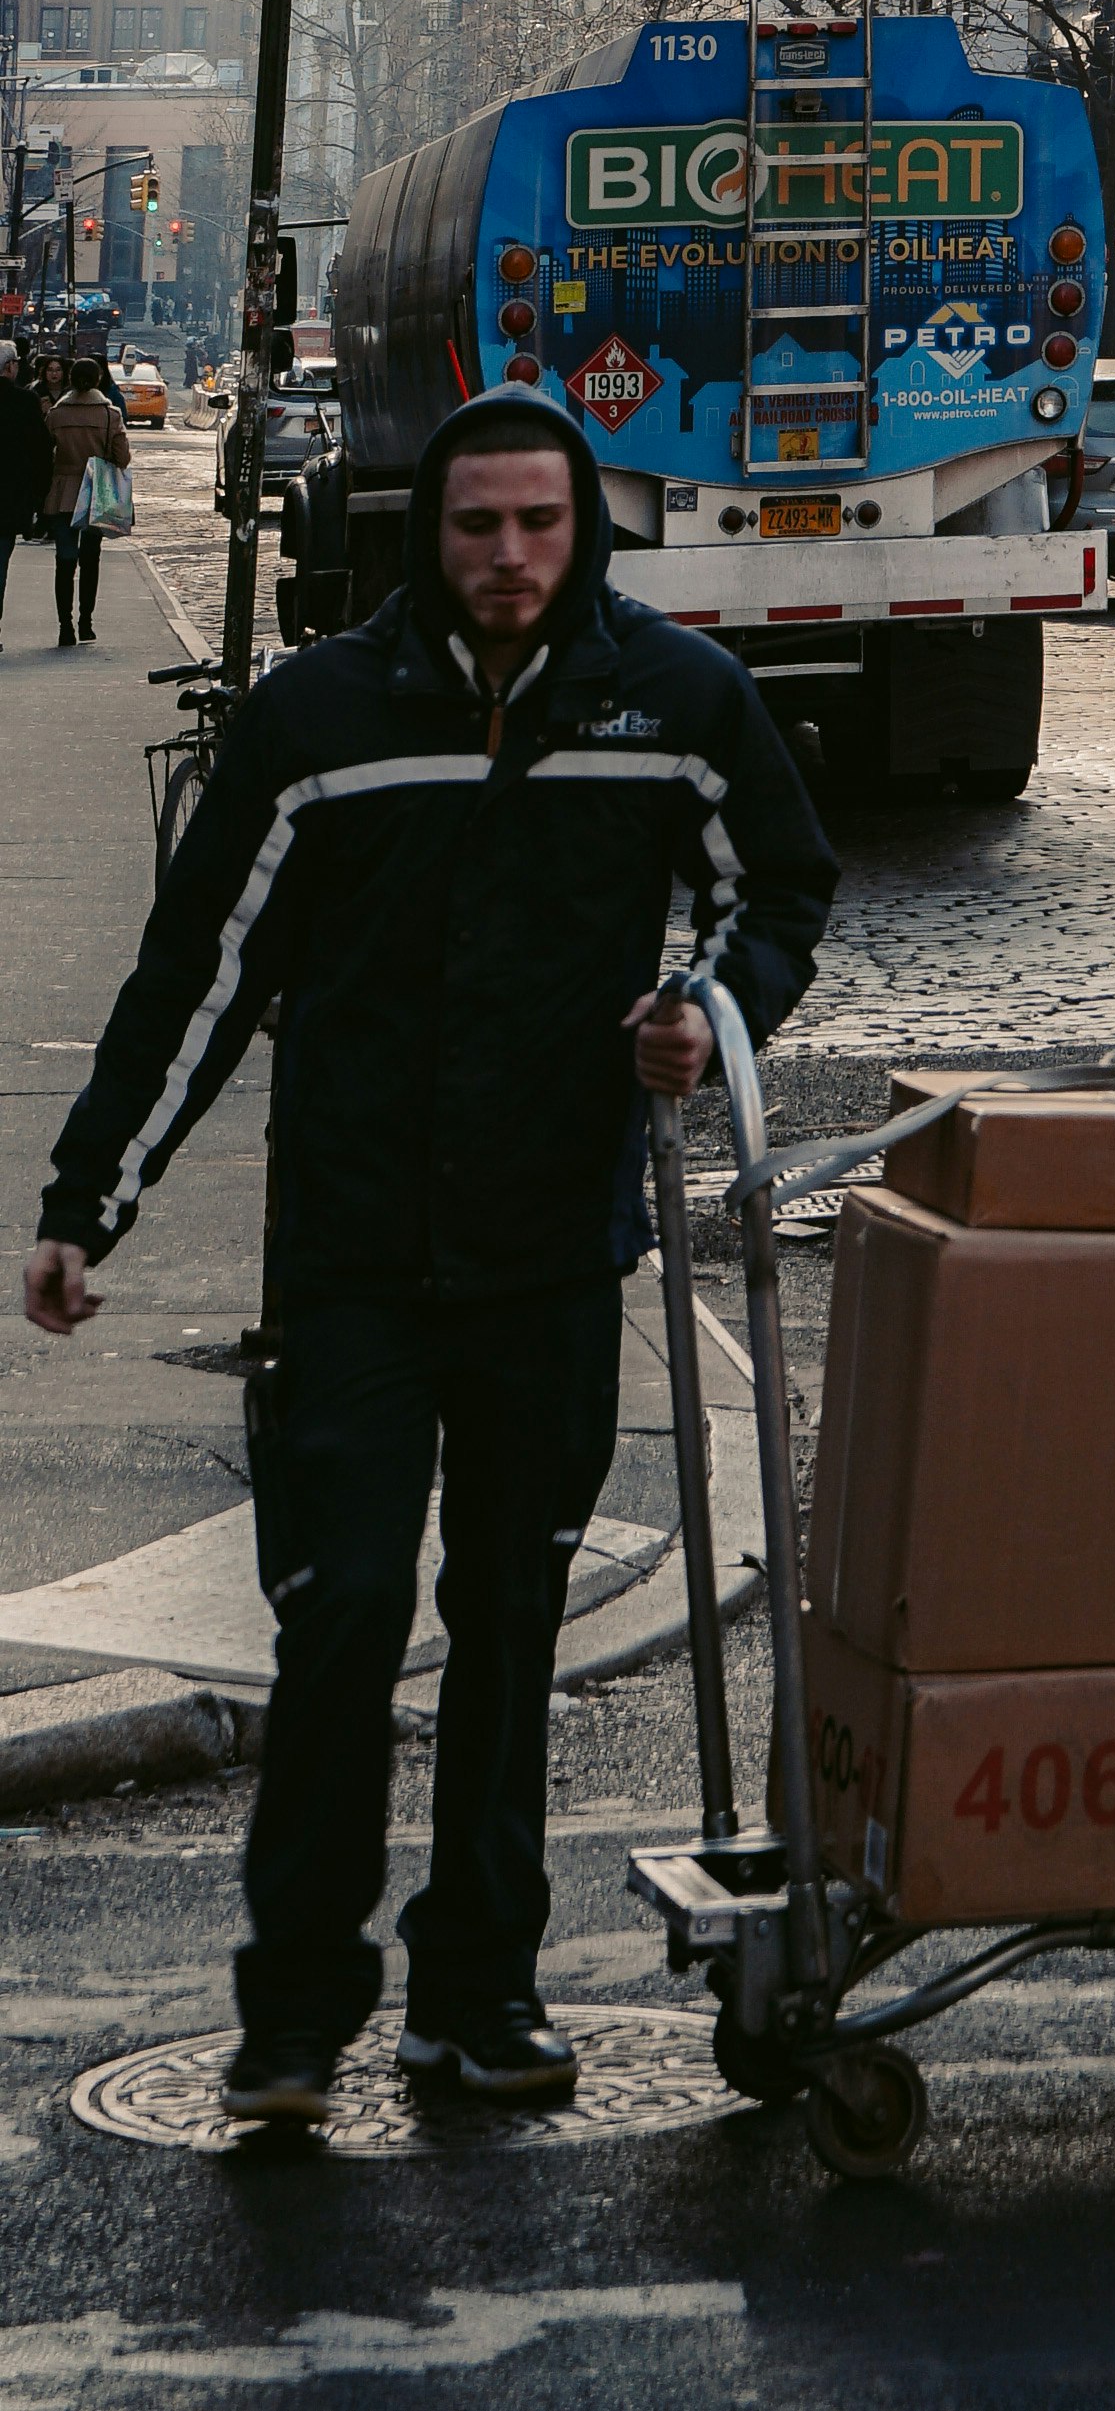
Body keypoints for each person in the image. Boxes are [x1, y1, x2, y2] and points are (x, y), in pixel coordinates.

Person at [23, 389, 836, 2140]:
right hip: (357, 1269)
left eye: (540, 525)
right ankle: (297, 2017)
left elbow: (777, 889)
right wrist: (92, 1199)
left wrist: (711, 1009)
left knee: (512, 1630)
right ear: (429, 532)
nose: (510, 559)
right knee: (339, 1628)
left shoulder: (675, 704)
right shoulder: (324, 721)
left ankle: (483, 1995)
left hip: (553, 1258)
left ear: (582, 527)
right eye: (478, 528)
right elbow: (202, 974)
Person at [40, 352, 132, 647]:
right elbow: (122, 458)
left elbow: (44, 453)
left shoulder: (56, 414)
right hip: (97, 492)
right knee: (91, 559)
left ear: (69, 379)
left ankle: (64, 625)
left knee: (65, 560)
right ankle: (86, 622)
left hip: (63, 491)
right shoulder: (109, 414)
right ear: (99, 380)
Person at [0, 332, 48, 653]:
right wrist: (39, 499)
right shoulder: (25, 402)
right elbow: (41, 453)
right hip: (8, 502)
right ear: (10, 368)